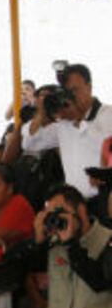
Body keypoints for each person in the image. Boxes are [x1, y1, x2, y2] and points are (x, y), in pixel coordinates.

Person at [22, 64, 112, 204]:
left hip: (106, 201)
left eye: (75, 90)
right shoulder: (63, 124)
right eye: (67, 92)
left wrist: (79, 119)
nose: (71, 96)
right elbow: (30, 143)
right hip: (75, 204)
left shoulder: (108, 115)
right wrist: (42, 111)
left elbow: (100, 142)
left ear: (89, 86)